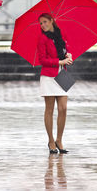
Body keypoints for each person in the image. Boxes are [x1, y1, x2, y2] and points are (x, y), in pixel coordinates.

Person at [37, 13, 73, 154]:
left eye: (45, 22)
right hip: (48, 77)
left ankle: (59, 139)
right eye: (41, 23)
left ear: (52, 21)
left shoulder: (60, 36)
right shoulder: (42, 38)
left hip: (62, 74)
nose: (43, 25)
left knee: (63, 108)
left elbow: (65, 50)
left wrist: (68, 54)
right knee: (49, 110)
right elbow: (42, 60)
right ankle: (51, 140)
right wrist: (60, 62)